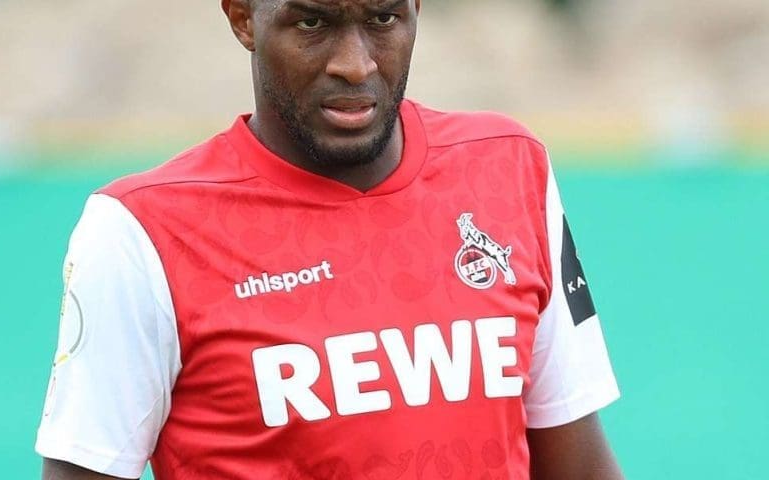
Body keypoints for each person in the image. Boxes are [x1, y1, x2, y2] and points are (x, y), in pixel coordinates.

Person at [36, 1, 623, 479]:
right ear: (242, 17)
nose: (355, 64)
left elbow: (578, 465)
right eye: (312, 22)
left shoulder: (509, 168)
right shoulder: (143, 231)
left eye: (383, 18)